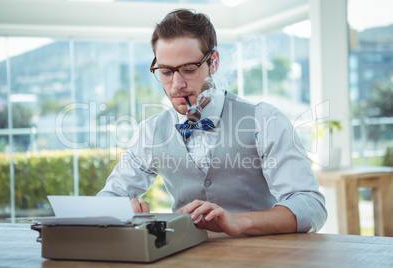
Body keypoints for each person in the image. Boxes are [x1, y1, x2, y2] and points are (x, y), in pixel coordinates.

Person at [98, 9, 327, 236]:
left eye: (189, 69)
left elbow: (311, 206)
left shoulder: (264, 121)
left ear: (213, 62)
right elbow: (109, 200)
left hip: (261, 257)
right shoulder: (150, 132)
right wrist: (120, 210)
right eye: (166, 71)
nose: (177, 84)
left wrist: (239, 221)